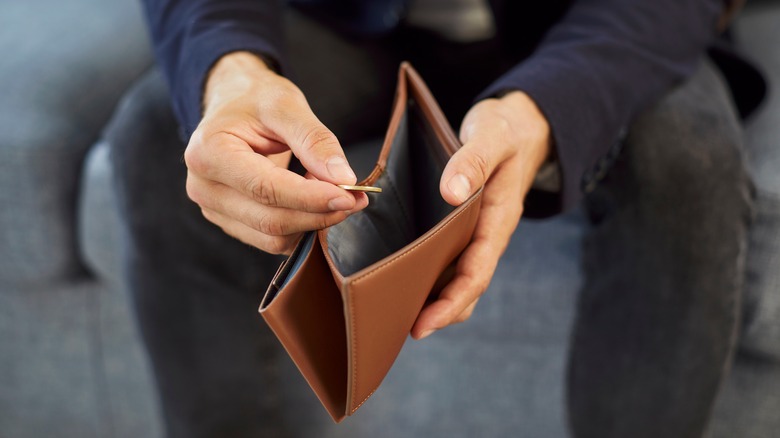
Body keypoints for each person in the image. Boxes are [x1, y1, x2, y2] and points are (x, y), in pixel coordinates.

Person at [107, 0, 764, 436]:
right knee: (163, 136)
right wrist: (230, 70)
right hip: (355, 21)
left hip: (598, 24)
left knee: (688, 166)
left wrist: (550, 106)